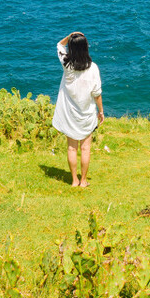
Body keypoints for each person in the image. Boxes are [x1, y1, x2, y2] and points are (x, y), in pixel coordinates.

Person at [52, 31, 104, 187]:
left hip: (69, 114)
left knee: (71, 148)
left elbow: (59, 45)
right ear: (86, 48)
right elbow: (97, 94)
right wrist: (101, 111)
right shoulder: (93, 68)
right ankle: (83, 181)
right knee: (86, 148)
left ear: (72, 49)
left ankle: (74, 180)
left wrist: (71, 35)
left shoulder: (67, 64)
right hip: (86, 114)